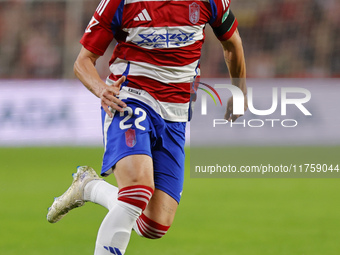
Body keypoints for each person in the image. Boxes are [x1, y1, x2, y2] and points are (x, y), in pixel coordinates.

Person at [47, 0, 247, 254]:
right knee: (136, 192)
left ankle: (88, 187)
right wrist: (101, 89)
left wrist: (239, 91)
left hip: (175, 114)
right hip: (129, 99)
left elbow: (232, 42)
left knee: (154, 225)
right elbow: (83, 61)